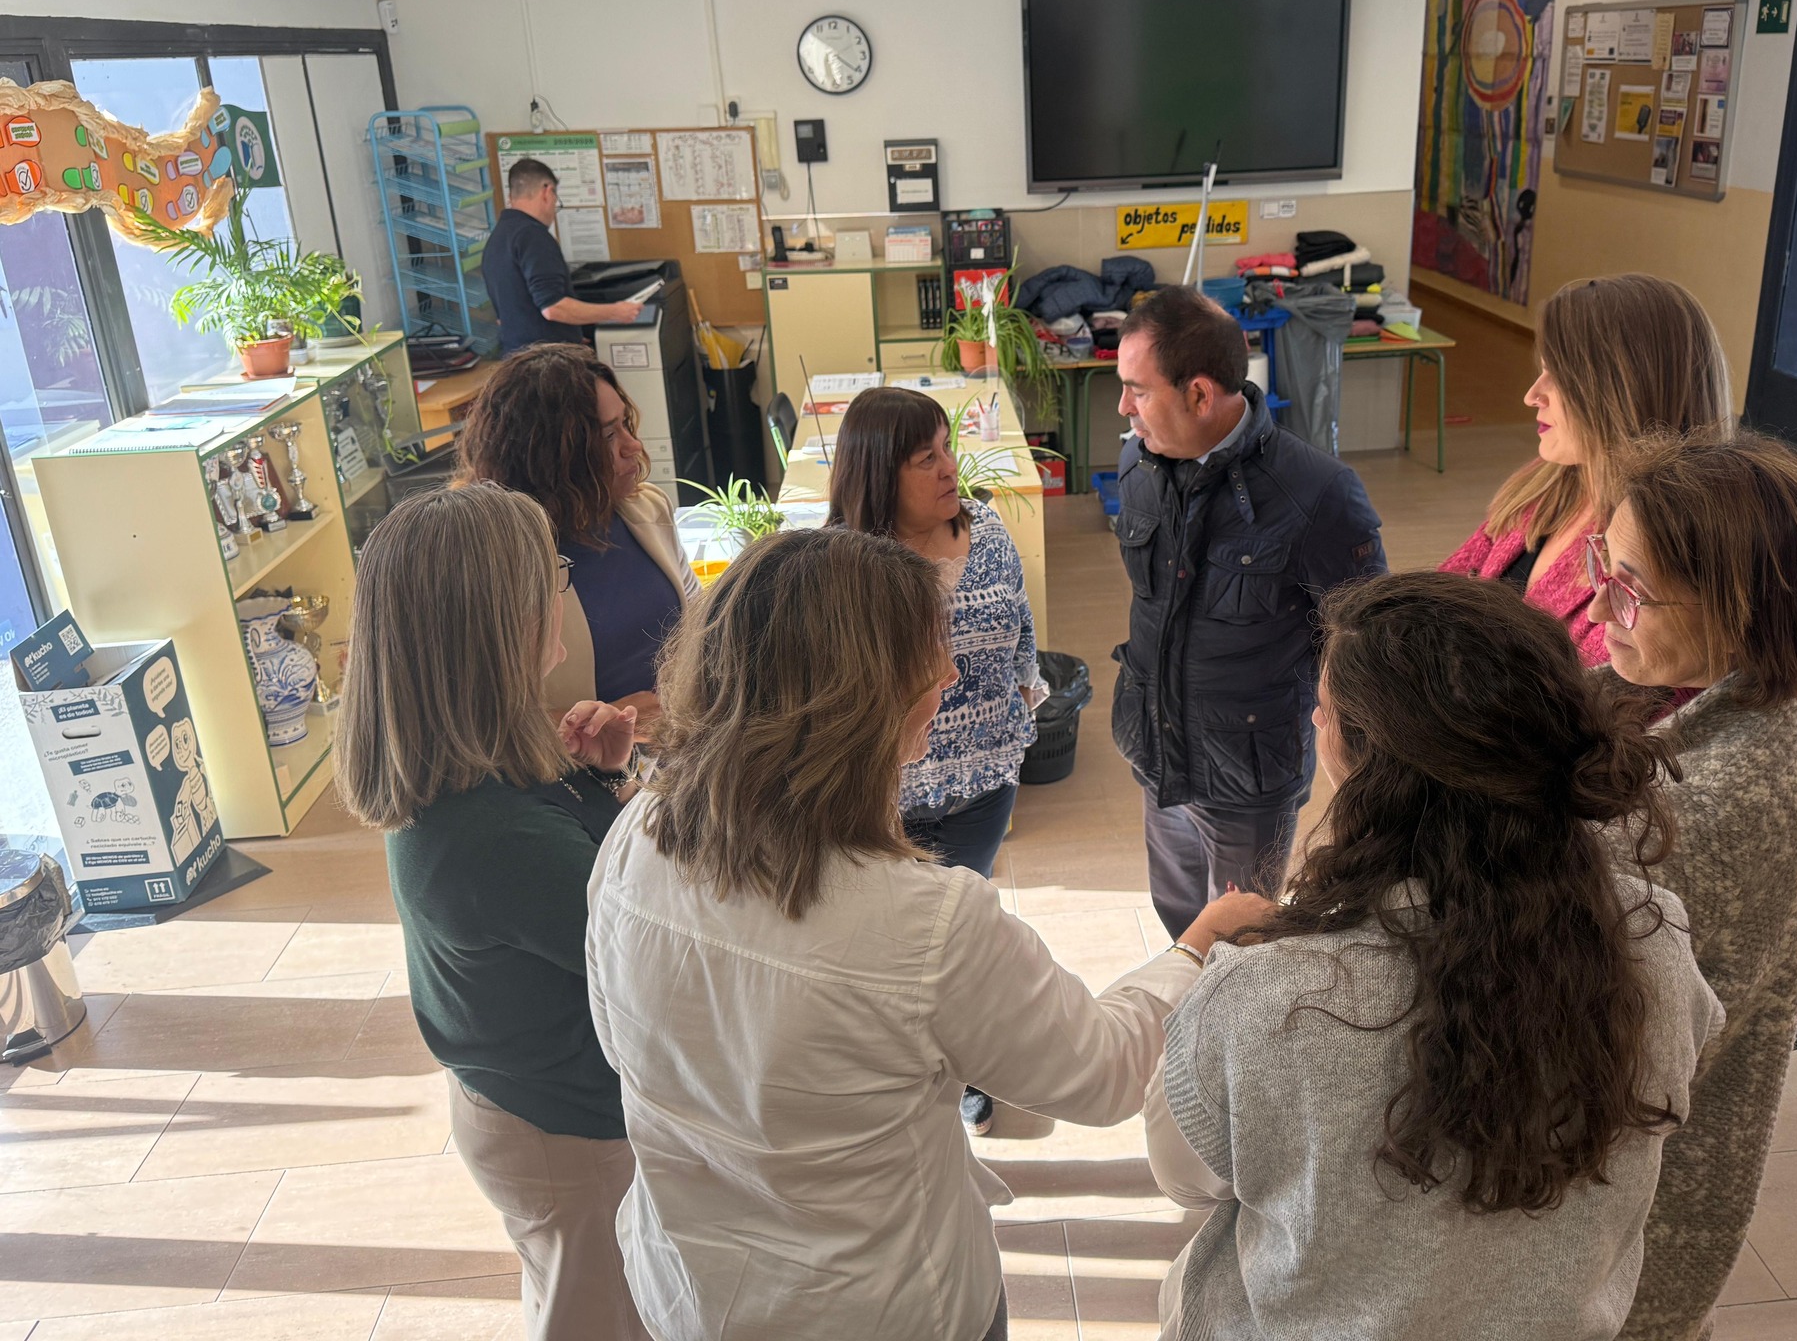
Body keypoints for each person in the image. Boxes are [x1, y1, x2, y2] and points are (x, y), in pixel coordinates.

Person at [584, 529, 1269, 1341]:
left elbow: (617, 1037)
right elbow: (1104, 1070)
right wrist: (1197, 947)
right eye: (929, 656)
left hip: (688, 1288)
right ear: (862, 700)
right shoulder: (927, 924)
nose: (949, 674)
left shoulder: (636, 835)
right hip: (882, 1309)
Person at [1144, 572, 1723, 1340]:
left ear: (1362, 759)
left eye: (1325, 707)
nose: (1314, 718)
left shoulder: (1259, 999)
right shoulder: (1655, 940)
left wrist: (1209, 964)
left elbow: (1184, 1178)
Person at [333, 481, 649, 1341]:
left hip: (532, 1102)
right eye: (551, 576)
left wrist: (610, 778)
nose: (563, 590)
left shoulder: (475, 762)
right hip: (568, 1134)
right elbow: (647, 947)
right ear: (499, 623)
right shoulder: (493, 834)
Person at [1586, 433, 1797, 1341]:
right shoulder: (1711, 687)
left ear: (1742, 610)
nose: (1600, 602)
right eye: (1603, 565)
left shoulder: (1716, 800)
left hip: (1629, 1191)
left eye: (1630, 587)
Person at [1110, 283, 1387, 942]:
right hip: (1157, 753)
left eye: (1137, 390)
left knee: (1241, 940)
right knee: (1179, 923)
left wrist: (1366, 785)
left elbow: (1367, 652)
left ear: (1200, 395)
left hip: (1248, 782)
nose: (1123, 408)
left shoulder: (1317, 494)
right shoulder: (1137, 464)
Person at [827, 388, 1044, 1135]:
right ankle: (907, 1075)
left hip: (983, 781)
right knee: (894, 947)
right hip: (882, 797)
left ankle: (969, 1067)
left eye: (947, 448)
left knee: (961, 931)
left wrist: (1022, 701)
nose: (951, 468)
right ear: (879, 474)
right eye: (927, 458)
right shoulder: (843, 565)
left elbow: (1020, 631)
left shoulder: (988, 531)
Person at [1441, 273, 1730, 664]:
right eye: (1542, 369)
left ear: (1623, 392)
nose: (1532, 396)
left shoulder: (1668, 557)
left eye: (1560, 377)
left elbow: (1603, 694)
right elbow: (1441, 595)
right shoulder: (1542, 488)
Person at [458, 343, 694, 723]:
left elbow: (698, 623)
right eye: (607, 436)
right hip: (576, 758)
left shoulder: (647, 508)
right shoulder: (493, 563)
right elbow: (481, 720)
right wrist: (609, 720)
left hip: (674, 739)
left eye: (625, 425)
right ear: (550, 457)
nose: (633, 446)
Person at [481, 157, 644, 352]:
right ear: (547, 192)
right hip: (547, 361)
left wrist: (568, 332)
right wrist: (616, 312)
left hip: (518, 357)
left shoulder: (498, 238)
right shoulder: (533, 236)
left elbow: (506, 317)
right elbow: (553, 307)